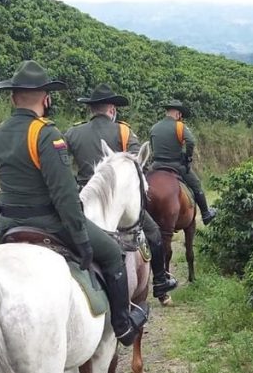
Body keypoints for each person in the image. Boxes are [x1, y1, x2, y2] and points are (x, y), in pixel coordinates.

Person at [0, 60, 147, 346]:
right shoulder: (46, 134)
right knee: (111, 252)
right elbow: (64, 196)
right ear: (46, 99)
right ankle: (123, 325)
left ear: (12, 97)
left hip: (7, 224)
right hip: (48, 222)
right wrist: (82, 240)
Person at [65, 83, 178, 299]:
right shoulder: (123, 131)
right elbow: (138, 165)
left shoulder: (73, 132)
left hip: (84, 199)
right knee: (154, 233)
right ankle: (161, 281)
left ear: (91, 109)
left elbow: (60, 164)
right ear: (112, 110)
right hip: (117, 199)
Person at [148, 99, 217, 224]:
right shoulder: (179, 126)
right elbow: (191, 141)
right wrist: (188, 156)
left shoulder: (154, 127)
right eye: (180, 115)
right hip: (176, 165)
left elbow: (152, 146)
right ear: (178, 114)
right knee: (196, 184)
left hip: (156, 166)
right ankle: (206, 214)